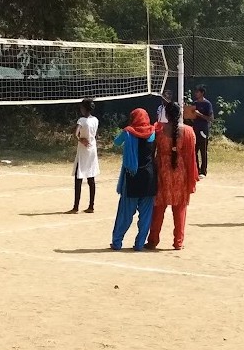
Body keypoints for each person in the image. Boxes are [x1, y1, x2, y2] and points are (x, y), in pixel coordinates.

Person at [145, 102, 199, 251]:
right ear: (180, 114)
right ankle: (178, 242)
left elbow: (151, 152)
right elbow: (191, 156)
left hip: (162, 171)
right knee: (180, 208)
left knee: (158, 208)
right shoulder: (188, 132)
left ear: (166, 115)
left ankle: (153, 240)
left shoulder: (159, 130)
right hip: (180, 171)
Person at [110, 108, 157, 251]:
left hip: (132, 176)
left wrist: (127, 132)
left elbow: (116, 142)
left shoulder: (128, 132)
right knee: (146, 215)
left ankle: (117, 242)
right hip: (149, 177)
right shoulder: (153, 132)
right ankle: (139, 244)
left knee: (125, 213)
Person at [66, 99, 99, 214]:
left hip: (84, 150)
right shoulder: (95, 120)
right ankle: (91, 206)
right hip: (92, 149)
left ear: (84, 108)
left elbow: (75, 134)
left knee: (78, 177)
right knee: (91, 177)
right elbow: (94, 134)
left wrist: (80, 139)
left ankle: (76, 207)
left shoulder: (81, 120)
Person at [192, 85, 213, 179]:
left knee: (203, 150)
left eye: (197, 92)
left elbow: (210, 118)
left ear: (202, 93)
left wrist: (199, 114)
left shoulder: (207, 104)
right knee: (194, 150)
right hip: (194, 129)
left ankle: (203, 171)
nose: (195, 93)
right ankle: (196, 169)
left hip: (203, 130)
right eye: (195, 92)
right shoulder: (194, 103)